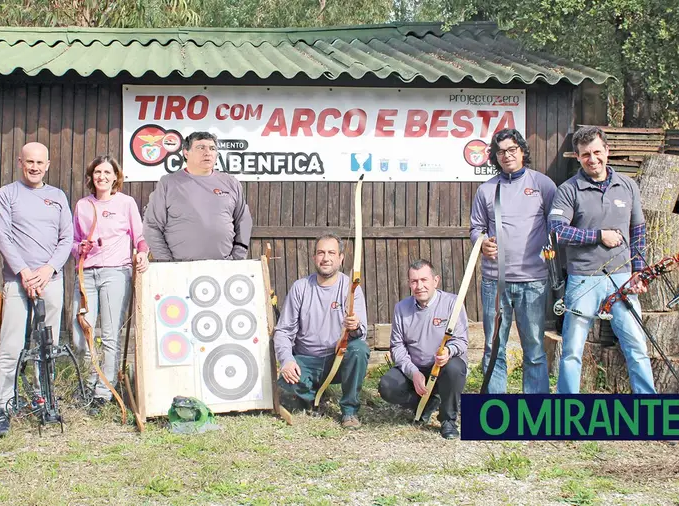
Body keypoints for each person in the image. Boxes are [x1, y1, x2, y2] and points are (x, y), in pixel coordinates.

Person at [549, 126, 655, 394]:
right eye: (585, 155)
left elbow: (638, 232)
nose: (592, 159)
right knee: (572, 350)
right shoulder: (569, 189)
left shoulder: (628, 186)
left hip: (623, 279)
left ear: (607, 151)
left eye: (597, 152)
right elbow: (557, 230)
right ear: (577, 156)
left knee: (637, 347)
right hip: (583, 278)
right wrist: (598, 236)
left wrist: (639, 272)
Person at [0, 142, 73, 436]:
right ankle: (3, 405)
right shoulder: (6, 195)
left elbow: (67, 239)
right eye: (29, 162)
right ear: (20, 162)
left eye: (40, 162)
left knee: (46, 347)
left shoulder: (57, 197)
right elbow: (2, 237)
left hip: (50, 280)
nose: (35, 167)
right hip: (18, 281)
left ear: (48, 165)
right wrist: (25, 272)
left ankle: (44, 399)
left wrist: (47, 270)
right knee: (11, 346)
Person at [470, 128, 556, 393]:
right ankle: (496, 410)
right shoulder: (486, 190)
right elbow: (475, 228)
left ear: (522, 151)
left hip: (534, 281)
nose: (506, 156)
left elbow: (557, 225)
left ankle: (536, 412)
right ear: (495, 157)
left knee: (534, 349)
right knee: (494, 346)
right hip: (496, 282)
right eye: (500, 152)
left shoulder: (543, 185)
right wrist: (481, 242)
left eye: (511, 150)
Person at [70, 155, 149, 414]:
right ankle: (88, 386)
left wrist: (142, 253)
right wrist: (79, 247)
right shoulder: (82, 205)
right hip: (86, 275)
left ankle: (105, 391)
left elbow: (140, 237)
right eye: (97, 172)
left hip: (116, 273)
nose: (102, 177)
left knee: (111, 334)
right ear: (91, 177)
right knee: (84, 334)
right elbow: (72, 242)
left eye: (107, 172)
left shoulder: (126, 203)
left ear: (116, 177)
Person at [272, 234, 369, 429]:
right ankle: (313, 393)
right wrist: (287, 360)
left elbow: (361, 334)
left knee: (358, 349)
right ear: (314, 258)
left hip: (337, 361)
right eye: (320, 253)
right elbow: (283, 331)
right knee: (286, 383)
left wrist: (355, 326)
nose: (325, 258)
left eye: (331, 253)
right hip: (306, 359)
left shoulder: (351, 288)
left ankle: (349, 411)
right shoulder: (301, 288)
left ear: (341, 258)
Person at [378, 260, 468, 439]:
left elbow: (461, 341)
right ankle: (425, 403)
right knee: (387, 386)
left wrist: (448, 352)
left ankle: (448, 419)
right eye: (414, 281)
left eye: (424, 280)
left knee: (455, 368)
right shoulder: (401, 308)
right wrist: (413, 372)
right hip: (416, 368)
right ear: (409, 283)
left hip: (443, 366)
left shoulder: (453, 303)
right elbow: (397, 346)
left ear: (436, 280)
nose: (419, 286)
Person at [143, 131, 252, 261]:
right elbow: (152, 225)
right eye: (200, 148)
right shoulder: (168, 183)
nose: (207, 152)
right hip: (180, 268)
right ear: (186, 152)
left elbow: (244, 222)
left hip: (224, 267)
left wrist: (238, 257)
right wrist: (167, 262)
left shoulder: (231, 183)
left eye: (212, 148)